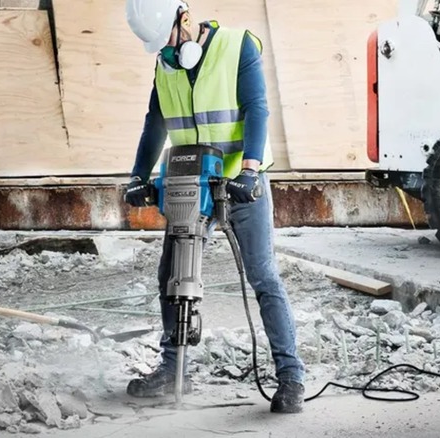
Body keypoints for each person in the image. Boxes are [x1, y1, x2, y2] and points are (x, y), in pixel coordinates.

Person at [122, 0, 306, 414]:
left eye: (167, 40)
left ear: (184, 19)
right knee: (172, 274)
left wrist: (252, 170)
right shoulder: (165, 66)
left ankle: (291, 377)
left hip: (240, 179)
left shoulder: (237, 46)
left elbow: (257, 107)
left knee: (263, 276)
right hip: (191, 180)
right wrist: (138, 174)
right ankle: (173, 369)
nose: (165, 52)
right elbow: (155, 120)